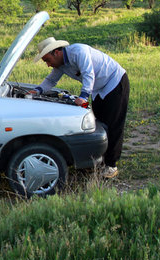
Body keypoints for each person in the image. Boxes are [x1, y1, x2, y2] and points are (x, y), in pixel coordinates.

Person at [29, 37, 129, 178]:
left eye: (47, 60)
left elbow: (89, 74)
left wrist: (82, 97)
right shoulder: (60, 64)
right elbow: (51, 80)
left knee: (113, 124)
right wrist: (36, 91)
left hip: (114, 82)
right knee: (98, 124)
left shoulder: (79, 52)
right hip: (98, 89)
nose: (48, 65)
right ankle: (98, 162)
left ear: (56, 52)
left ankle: (111, 165)